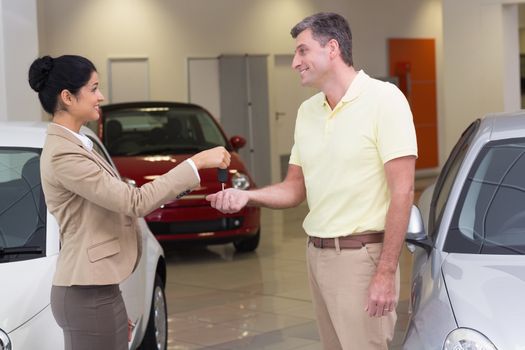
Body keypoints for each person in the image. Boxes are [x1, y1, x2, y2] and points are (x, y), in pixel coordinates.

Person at [207, 12, 417, 350]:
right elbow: (294, 188)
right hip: (317, 256)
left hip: (361, 257)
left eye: (302, 51)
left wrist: (385, 272)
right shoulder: (308, 112)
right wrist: (247, 197)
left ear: (332, 48)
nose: (295, 62)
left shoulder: (385, 101)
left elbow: (403, 192)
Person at [28, 55, 230, 350]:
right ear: (68, 97)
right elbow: (133, 202)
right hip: (87, 295)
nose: (101, 97)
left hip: (98, 289)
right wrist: (196, 163)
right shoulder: (64, 154)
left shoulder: (78, 142)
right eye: (94, 88)